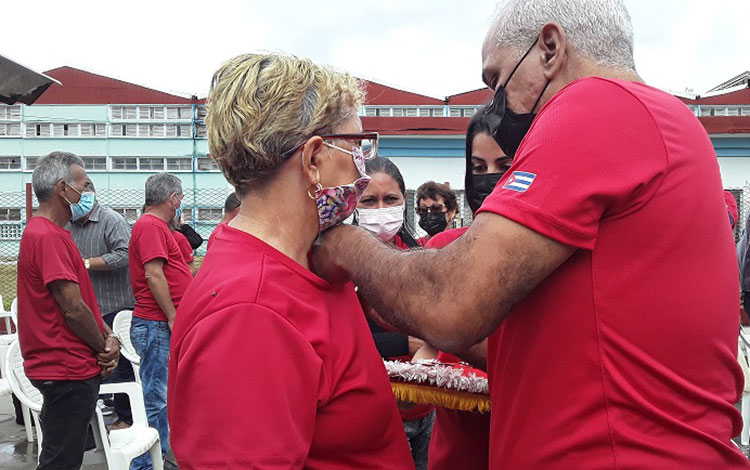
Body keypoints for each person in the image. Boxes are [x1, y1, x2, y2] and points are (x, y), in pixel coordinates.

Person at [312, 0, 747, 468]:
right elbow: (549, 344)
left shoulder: (599, 104)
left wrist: (345, 246)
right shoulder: (662, 120)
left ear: (550, 48)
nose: (497, 106)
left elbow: (453, 302)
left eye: (497, 81)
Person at [167, 53, 413, 470]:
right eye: (357, 147)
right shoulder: (250, 312)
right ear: (314, 159)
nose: (365, 170)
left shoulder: (304, 262)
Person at [18, 151, 120, 470]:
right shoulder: (47, 236)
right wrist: (103, 346)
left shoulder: (53, 233)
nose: (88, 191)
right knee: (60, 462)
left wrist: (110, 335)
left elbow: (82, 302)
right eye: (84, 184)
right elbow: (73, 309)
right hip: (65, 368)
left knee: (64, 456)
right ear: (63, 189)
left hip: (66, 366)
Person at [422, 106, 509, 470]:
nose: (489, 179)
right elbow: (425, 349)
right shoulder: (442, 248)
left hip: (523, 437)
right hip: (457, 445)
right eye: (478, 169)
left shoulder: (558, 257)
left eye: (504, 167)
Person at [355, 156, 434, 470]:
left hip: (429, 407)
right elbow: (345, 340)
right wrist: (409, 345)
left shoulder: (423, 256)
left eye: (390, 200)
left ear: (404, 201)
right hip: (376, 410)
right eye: (369, 201)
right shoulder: (337, 262)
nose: (379, 211)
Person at [129, 172, 192, 470]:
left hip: (158, 324)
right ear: (173, 199)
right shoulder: (150, 226)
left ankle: (159, 458)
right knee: (156, 400)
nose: (180, 202)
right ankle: (146, 464)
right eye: (180, 197)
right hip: (155, 323)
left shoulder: (155, 226)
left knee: (163, 397)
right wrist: (172, 315)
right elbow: (153, 274)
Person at [68, 183, 136, 430]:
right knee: (91, 365)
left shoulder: (111, 220)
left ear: (89, 194)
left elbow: (124, 254)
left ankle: (126, 418)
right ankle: (94, 416)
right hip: (85, 308)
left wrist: (86, 263)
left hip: (115, 304)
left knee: (120, 366)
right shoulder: (68, 224)